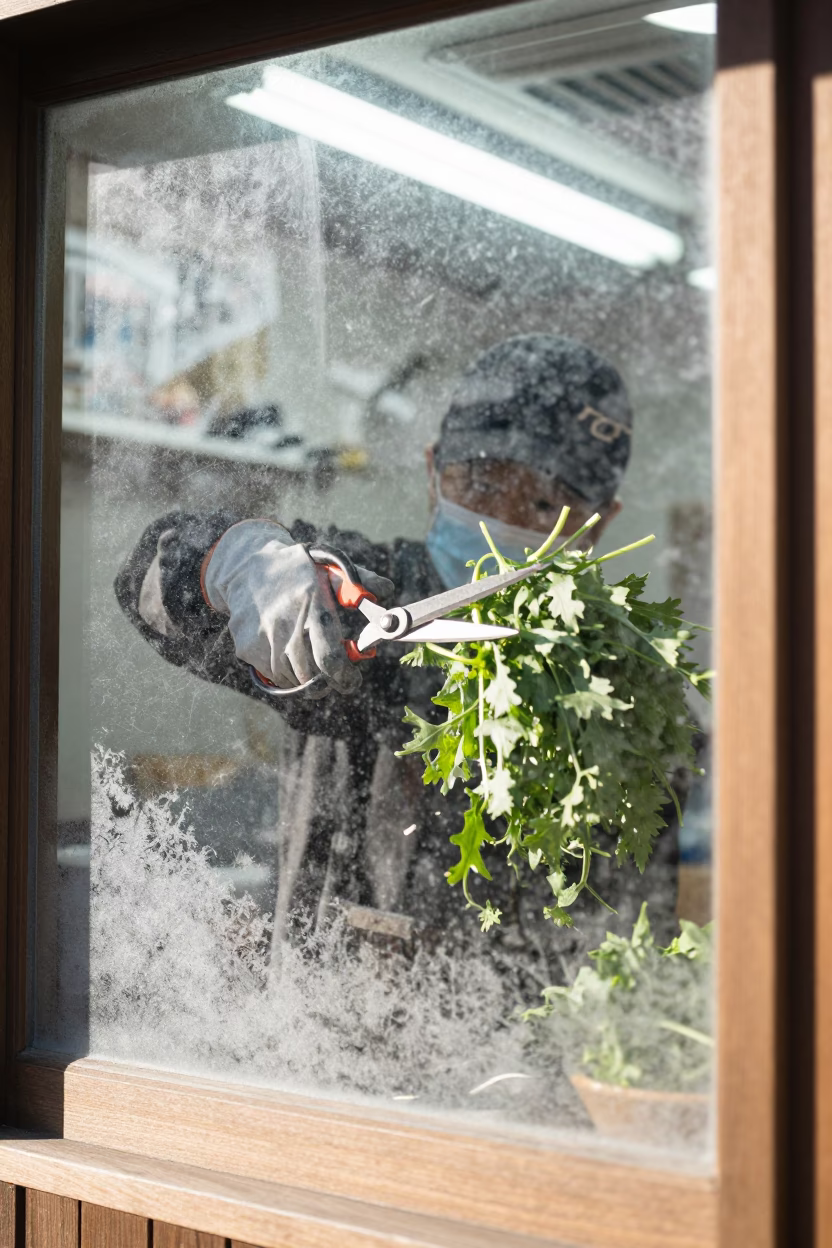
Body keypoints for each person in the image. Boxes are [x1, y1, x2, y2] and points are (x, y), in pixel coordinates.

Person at [116, 334, 680, 973]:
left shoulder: (626, 698)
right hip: (325, 1029)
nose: (509, 516)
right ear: (435, 474)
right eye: (485, 481)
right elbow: (150, 573)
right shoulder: (358, 591)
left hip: (523, 1046)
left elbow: (639, 934)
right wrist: (239, 564)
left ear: (600, 523)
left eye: (550, 503)